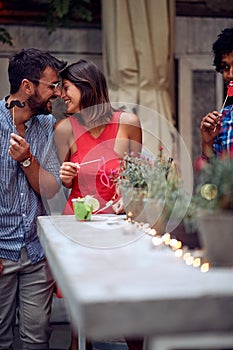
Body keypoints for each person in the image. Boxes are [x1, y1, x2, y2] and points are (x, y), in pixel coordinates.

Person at [54, 59, 143, 350]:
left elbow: (138, 178)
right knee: (82, 314)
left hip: (119, 229)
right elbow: (68, 180)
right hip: (80, 226)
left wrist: (127, 195)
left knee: (128, 300)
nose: (60, 94)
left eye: (65, 87)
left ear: (86, 87)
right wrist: (66, 176)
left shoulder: (127, 123)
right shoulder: (64, 128)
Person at [0, 48, 67, 350]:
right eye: (51, 85)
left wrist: (27, 160)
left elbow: (51, 188)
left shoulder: (48, 127)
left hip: (37, 253)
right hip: (1, 253)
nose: (57, 93)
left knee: (36, 341)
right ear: (27, 87)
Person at [200, 27, 233, 160]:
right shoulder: (223, 120)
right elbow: (211, 177)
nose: (231, 75)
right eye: (226, 67)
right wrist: (207, 142)